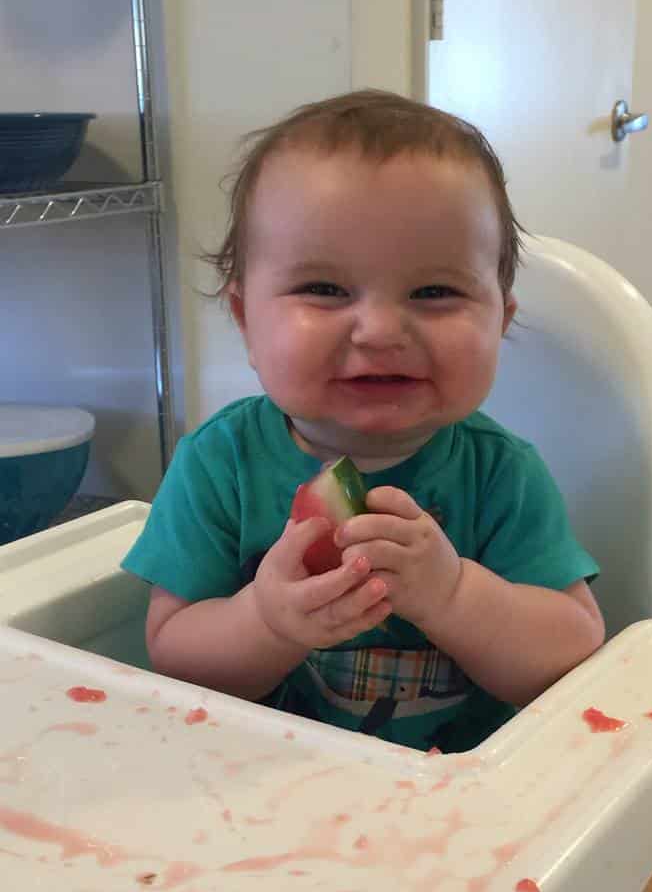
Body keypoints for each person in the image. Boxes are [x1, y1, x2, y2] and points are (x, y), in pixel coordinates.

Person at [122, 89, 604, 753]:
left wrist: (454, 594)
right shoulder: (217, 462)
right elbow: (173, 652)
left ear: (501, 320)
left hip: (463, 802)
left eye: (435, 292)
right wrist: (268, 621)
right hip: (259, 785)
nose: (379, 331)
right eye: (324, 289)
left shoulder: (500, 472)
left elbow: (575, 652)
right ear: (246, 322)